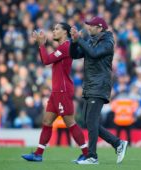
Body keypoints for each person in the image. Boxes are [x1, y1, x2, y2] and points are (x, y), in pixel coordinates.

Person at [21, 23, 88, 162]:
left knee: (70, 122)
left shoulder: (66, 47)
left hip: (62, 91)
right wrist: (41, 45)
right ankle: (38, 154)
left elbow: (46, 60)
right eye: (54, 28)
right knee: (47, 121)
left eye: (57, 29)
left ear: (65, 32)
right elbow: (46, 60)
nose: (54, 31)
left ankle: (87, 154)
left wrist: (41, 44)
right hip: (56, 91)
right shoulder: (62, 47)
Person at [70, 16, 128, 164]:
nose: (88, 28)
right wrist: (74, 41)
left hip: (100, 85)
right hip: (91, 84)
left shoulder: (108, 42)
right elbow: (74, 55)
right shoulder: (91, 40)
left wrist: (80, 40)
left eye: (92, 25)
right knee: (87, 121)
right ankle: (117, 143)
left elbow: (94, 53)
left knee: (91, 121)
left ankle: (92, 156)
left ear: (100, 28)